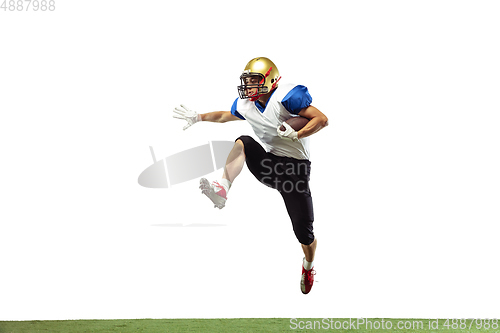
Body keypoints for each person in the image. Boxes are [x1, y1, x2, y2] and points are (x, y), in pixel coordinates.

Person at [173, 57, 328, 294]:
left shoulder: (287, 98)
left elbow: (322, 119)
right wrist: (199, 117)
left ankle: (308, 266)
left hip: (296, 171)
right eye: (247, 81)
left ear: (271, 80)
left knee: (304, 234)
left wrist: (297, 134)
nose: (249, 86)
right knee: (243, 141)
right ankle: (222, 189)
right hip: (271, 165)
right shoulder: (246, 104)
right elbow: (226, 116)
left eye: (255, 80)